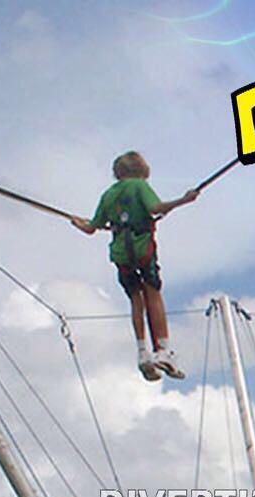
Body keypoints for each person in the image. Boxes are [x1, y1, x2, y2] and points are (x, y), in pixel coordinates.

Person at [71, 152, 199, 382]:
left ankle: (142, 351)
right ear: (140, 171)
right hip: (141, 248)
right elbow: (156, 207)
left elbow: (91, 228)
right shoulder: (139, 186)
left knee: (135, 299)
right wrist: (183, 200)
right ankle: (163, 350)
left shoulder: (108, 195)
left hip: (121, 253)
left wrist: (77, 223)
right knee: (153, 293)